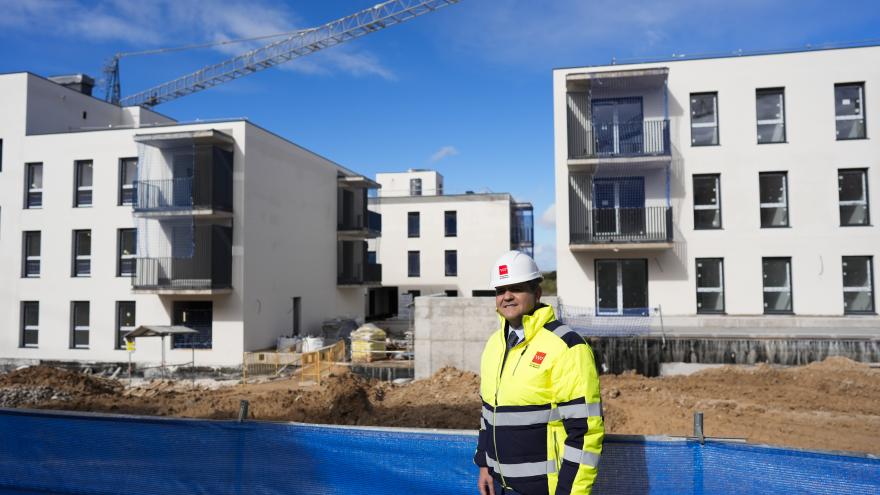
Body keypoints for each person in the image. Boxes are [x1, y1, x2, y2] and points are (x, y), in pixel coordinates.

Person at [475, 250, 604, 495]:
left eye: (517, 288)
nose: (507, 296)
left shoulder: (567, 346)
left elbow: (585, 432)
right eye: (500, 290)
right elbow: (488, 414)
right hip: (500, 487)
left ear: (536, 293)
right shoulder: (494, 344)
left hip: (547, 489)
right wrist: (484, 465)